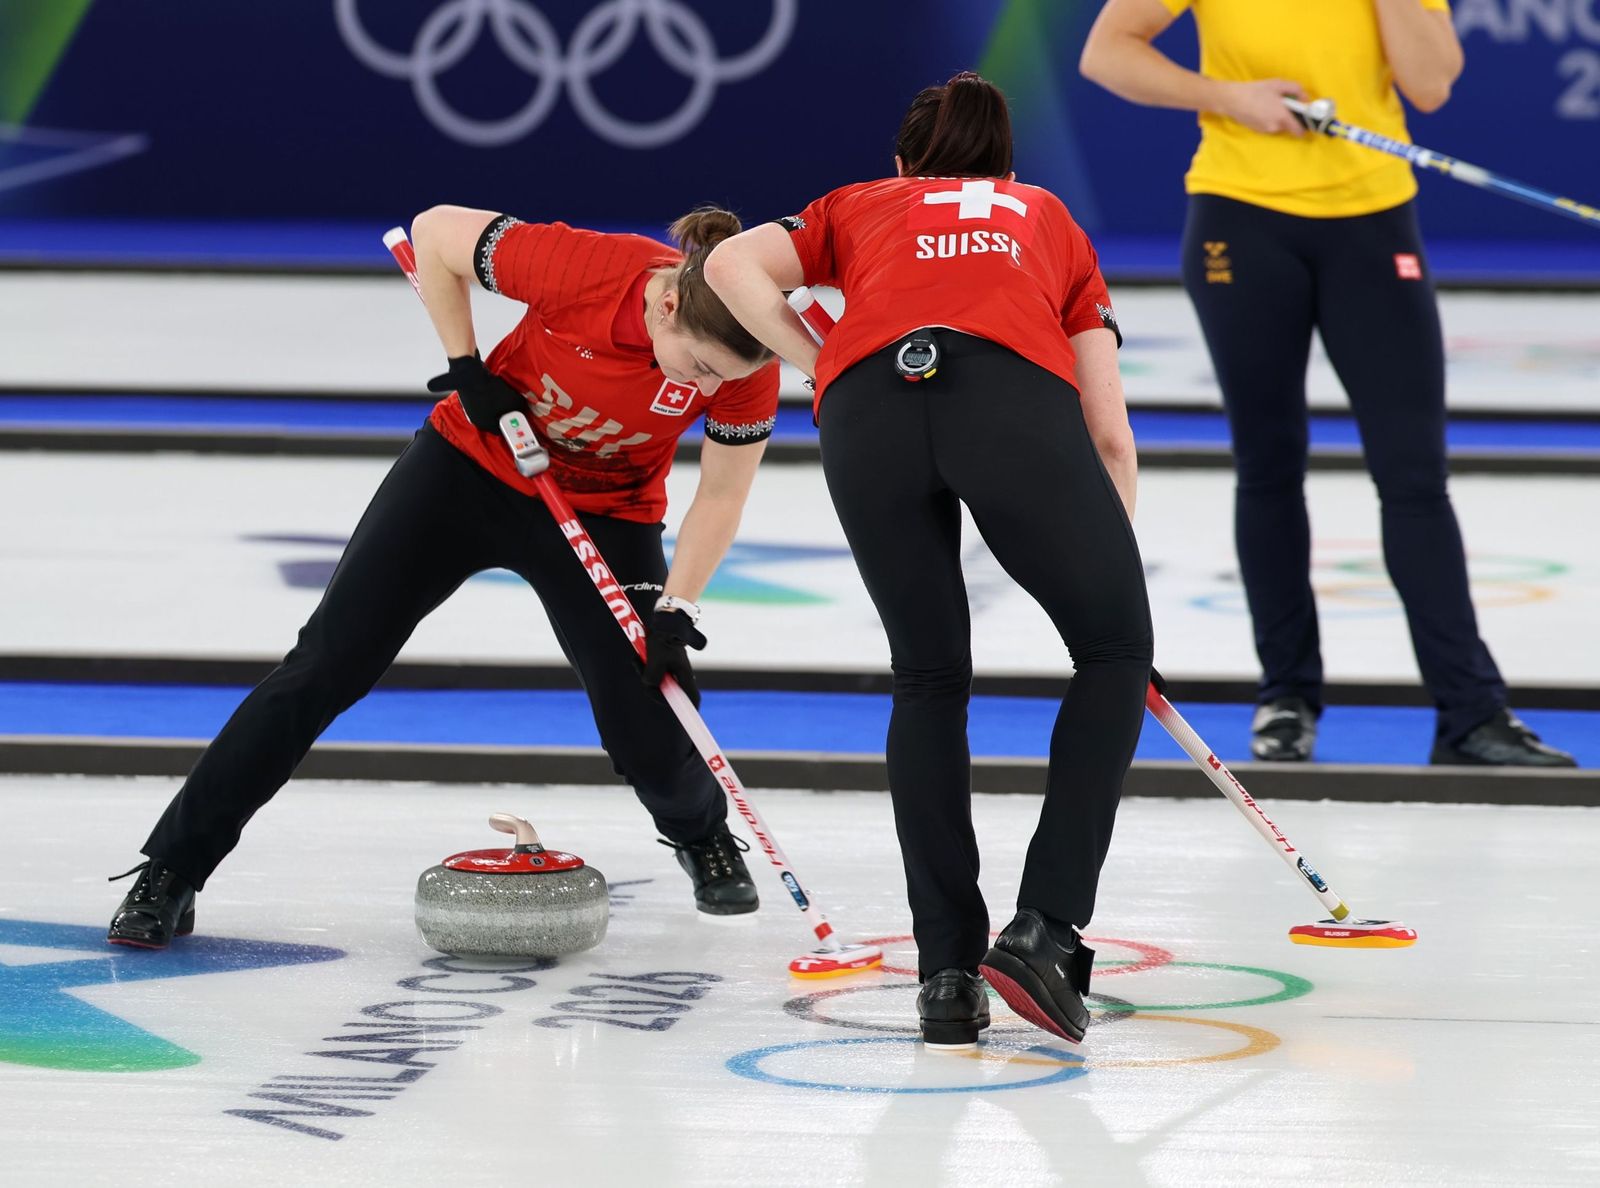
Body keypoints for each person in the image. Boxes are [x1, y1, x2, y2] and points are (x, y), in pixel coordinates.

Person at [108, 205, 783, 948]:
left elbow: (721, 492)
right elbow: (434, 234)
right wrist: (468, 368)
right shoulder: (588, 268)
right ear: (663, 304)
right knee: (326, 665)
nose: (712, 385)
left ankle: (700, 833)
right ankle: (171, 868)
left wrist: (676, 605)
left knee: (651, 708)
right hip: (467, 473)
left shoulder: (748, 360)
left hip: (607, 512)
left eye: (726, 377)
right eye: (701, 368)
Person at [706, 72, 1153, 1049]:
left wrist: (818, 356)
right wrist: (1113, 595)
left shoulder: (856, 205)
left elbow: (729, 265)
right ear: (1006, 169)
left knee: (928, 676)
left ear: (902, 166)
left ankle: (947, 974)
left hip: (866, 402)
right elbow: (1108, 430)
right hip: (1010, 407)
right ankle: (1043, 931)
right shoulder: (1046, 218)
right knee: (1112, 654)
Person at [1080, 0, 1574, 767]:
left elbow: (1432, 83)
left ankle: (1471, 714)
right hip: (1239, 217)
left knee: (1415, 475)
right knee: (1270, 466)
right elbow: (1108, 52)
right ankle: (1286, 698)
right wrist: (1231, 97)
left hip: (1372, 218)